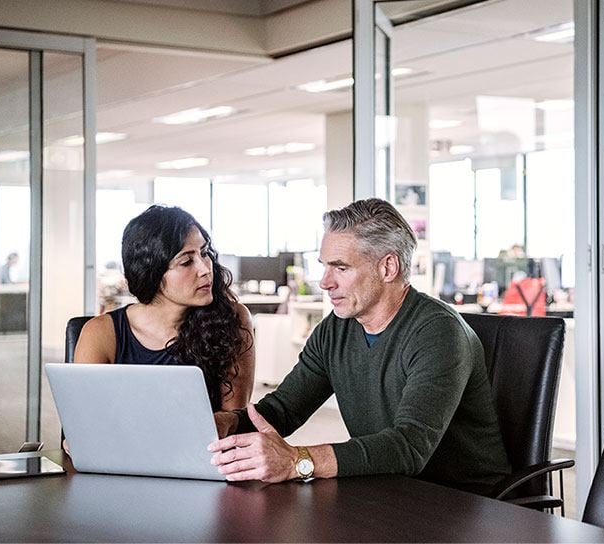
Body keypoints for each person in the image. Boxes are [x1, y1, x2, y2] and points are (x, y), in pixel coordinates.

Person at [209, 198, 511, 495]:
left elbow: (409, 446)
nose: (325, 282)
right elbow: (282, 411)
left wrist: (297, 460)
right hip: (391, 491)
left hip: (467, 503)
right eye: (324, 267)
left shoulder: (438, 332)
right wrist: (220, 426)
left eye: (340, 268)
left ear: (388, 267)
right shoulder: (336, 329)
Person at [74, 205, 254, 413]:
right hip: (124, 445)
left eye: (205, 253)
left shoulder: (231, 319)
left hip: (202, 446)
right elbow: (84, 418)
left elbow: (233, 420)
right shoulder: (101, 333)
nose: (205, 269)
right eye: (186, 262)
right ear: (152, 273)